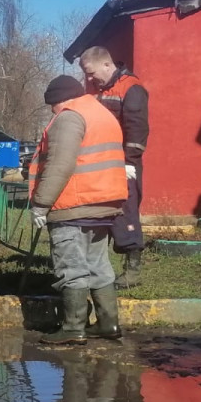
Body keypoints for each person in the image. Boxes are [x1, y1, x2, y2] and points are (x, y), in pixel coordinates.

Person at [30, 75, 129, 345]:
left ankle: (74, 328)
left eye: (53, 108)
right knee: (98, 264)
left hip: (74, 205)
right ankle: (109, 324)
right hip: (103, 205)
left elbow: (59, 165)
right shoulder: (102, 113)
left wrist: (41, 205)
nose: (54, 113)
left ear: (60, 100)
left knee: (71, 267)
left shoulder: (70, 117)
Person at [78, 46, 149, 288]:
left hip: (122, 165)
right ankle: (98, 267)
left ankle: (133, 271)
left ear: (107, 65)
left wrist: (128, 162)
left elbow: (137, 129)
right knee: (100, 214)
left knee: (125, 212)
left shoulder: (131, 88)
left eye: (90, 73)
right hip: (100, 165)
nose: (88, 79)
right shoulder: (96, 90)